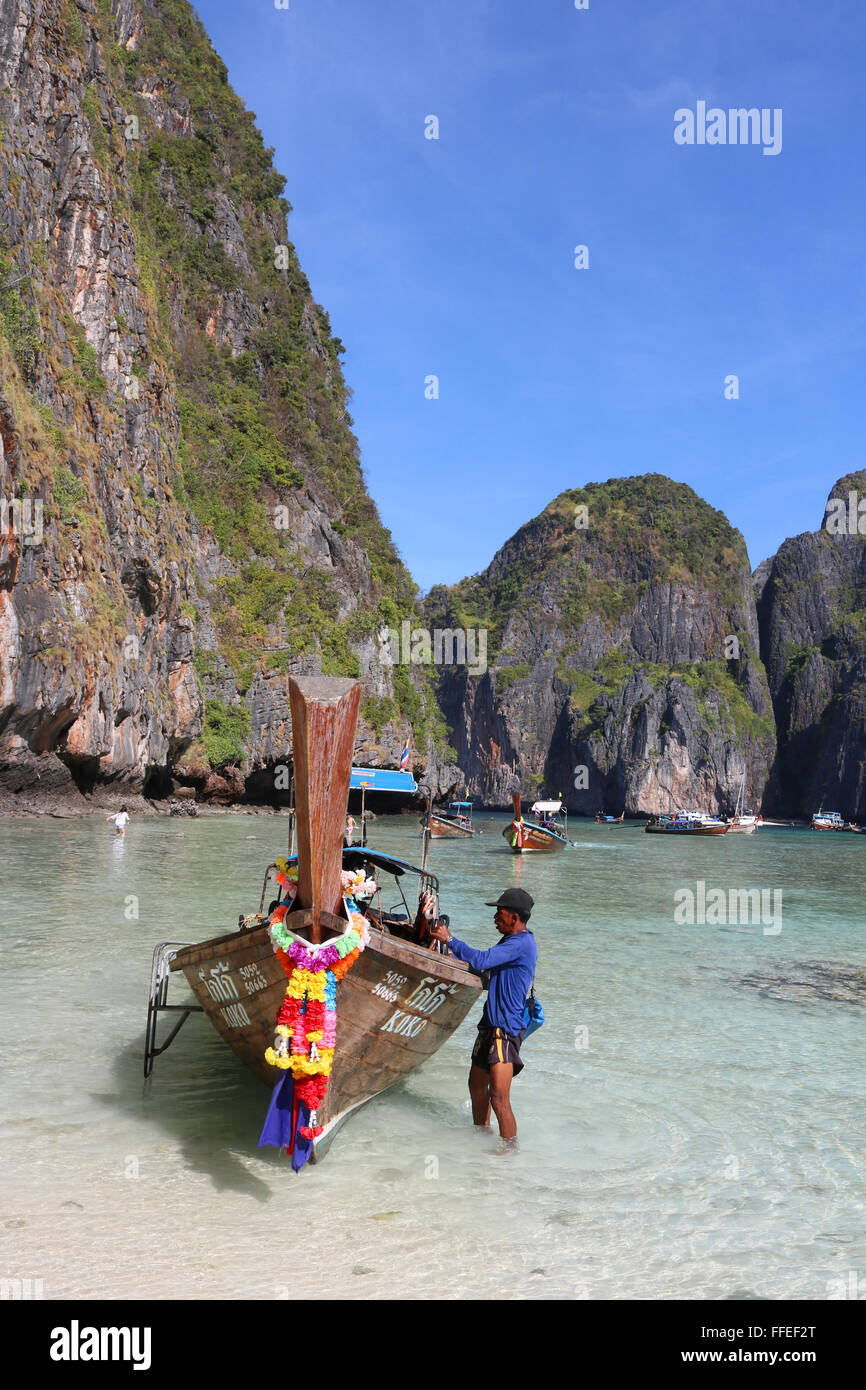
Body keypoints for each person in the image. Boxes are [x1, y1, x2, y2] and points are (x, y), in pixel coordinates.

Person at [428, 887, 538, 1152]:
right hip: (490, 1024)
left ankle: (509, 1153)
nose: (495, 919)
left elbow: (483, 959)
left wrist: (450, 939)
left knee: (499, 1098)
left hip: (505, 1029)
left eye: (499, 914)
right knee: (476, 1085)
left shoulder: (521, 943)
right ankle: (480, 1136)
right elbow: (485, 966)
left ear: (514, 918)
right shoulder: (509, 942)